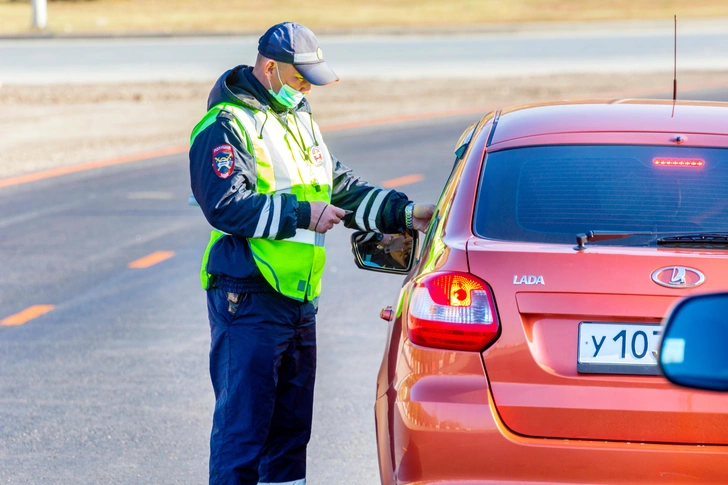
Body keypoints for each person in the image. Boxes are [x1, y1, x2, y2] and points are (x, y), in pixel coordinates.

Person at [188, 21, 434, 485]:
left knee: (289, 435)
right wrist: (302, 214)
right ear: (268, 68)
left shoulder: (297, 118)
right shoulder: (225, 125)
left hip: (298, 300)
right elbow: (226, 207)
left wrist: (403, 213)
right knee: (243, 435)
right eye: (299, 78)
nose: (305, 88)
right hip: (249, 296)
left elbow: (337, 186)